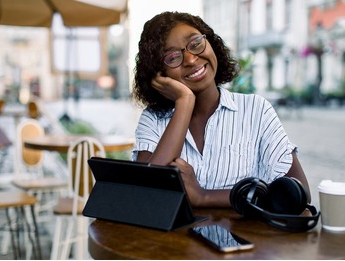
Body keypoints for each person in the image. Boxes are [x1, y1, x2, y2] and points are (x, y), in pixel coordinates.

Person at [132, 11, 310, 208]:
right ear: (159, 74)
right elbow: (142, 194)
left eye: (196, 43)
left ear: (211, 45)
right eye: (173, 57)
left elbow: (299, 192)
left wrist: (204, 196)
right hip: (175, 239)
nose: (191, 59)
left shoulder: (256, 110)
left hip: (245, 239)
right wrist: (184, 101)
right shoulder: (153, 119)